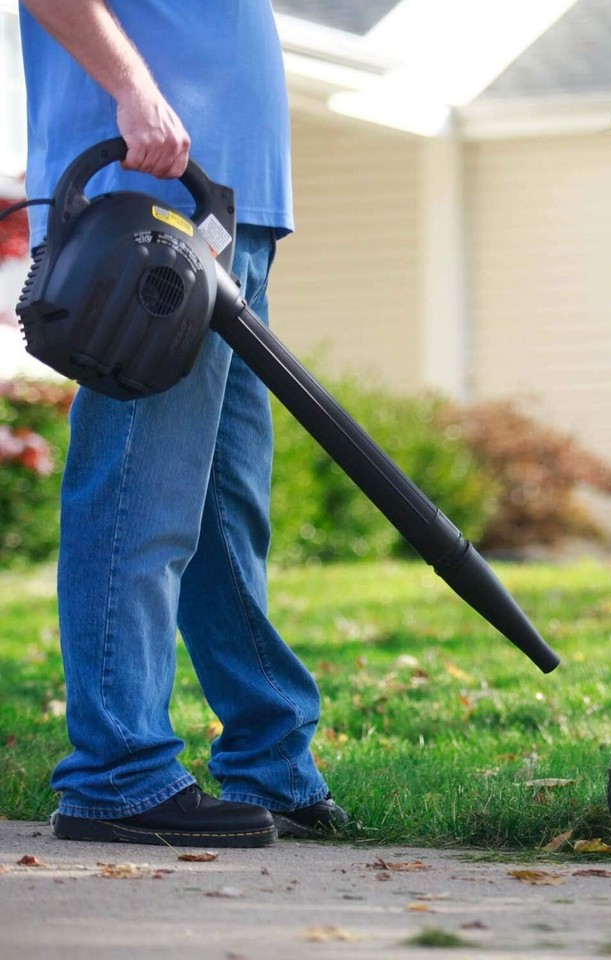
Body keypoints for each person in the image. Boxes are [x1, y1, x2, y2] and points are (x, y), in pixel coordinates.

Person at [18, 0, 348, 847]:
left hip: (233, 199)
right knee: (140, 494)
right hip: (147, 197)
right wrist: (134, 92)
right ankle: (116, 774)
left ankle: (270, 763)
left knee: (222, 512)